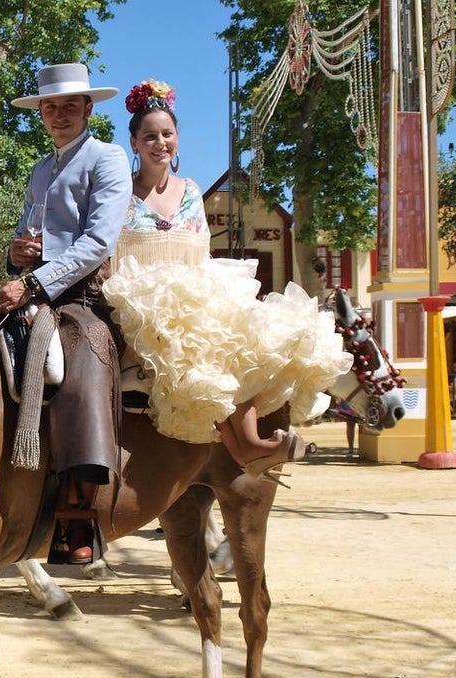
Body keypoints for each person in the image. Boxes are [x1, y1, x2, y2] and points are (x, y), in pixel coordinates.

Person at [101, 79, 350, 480]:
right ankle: (242, 447)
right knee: (195, 337)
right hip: (139, 295)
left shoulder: (191, 191)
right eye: (149, 136)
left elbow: (201, 252)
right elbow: (105, 246)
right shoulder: (120, 193)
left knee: (235, 332)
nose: (160, 143)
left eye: (167, 134)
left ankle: (247, 442)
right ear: (134, 144)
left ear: (177, 138)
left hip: (188, 290)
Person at [0, 63, 132, 564]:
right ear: (41, 114)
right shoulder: (39, 170)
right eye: (50, 107)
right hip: (34, 290)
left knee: (85, 362)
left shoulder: (108, 158)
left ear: (88, 109)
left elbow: (97, 243)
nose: (59, 114)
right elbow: (28, 234)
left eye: (70, 105)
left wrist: (32, 281)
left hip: (84, 297)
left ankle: (79, 510)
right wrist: (18, 254)